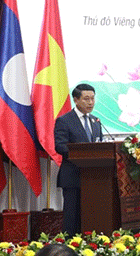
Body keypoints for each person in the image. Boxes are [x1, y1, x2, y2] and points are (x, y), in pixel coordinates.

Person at [54, 83, 103, 236]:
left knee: (91, 214)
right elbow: (60, 146)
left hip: (93, 177)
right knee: (72, 216)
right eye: (86, 99)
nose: (91, 102)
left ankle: (91, 242)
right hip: (72, 176)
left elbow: (100, 145)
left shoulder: (96, 121)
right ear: (76, 100)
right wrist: (84, 152)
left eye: (93, 98)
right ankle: (70, 243)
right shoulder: (64, 120)